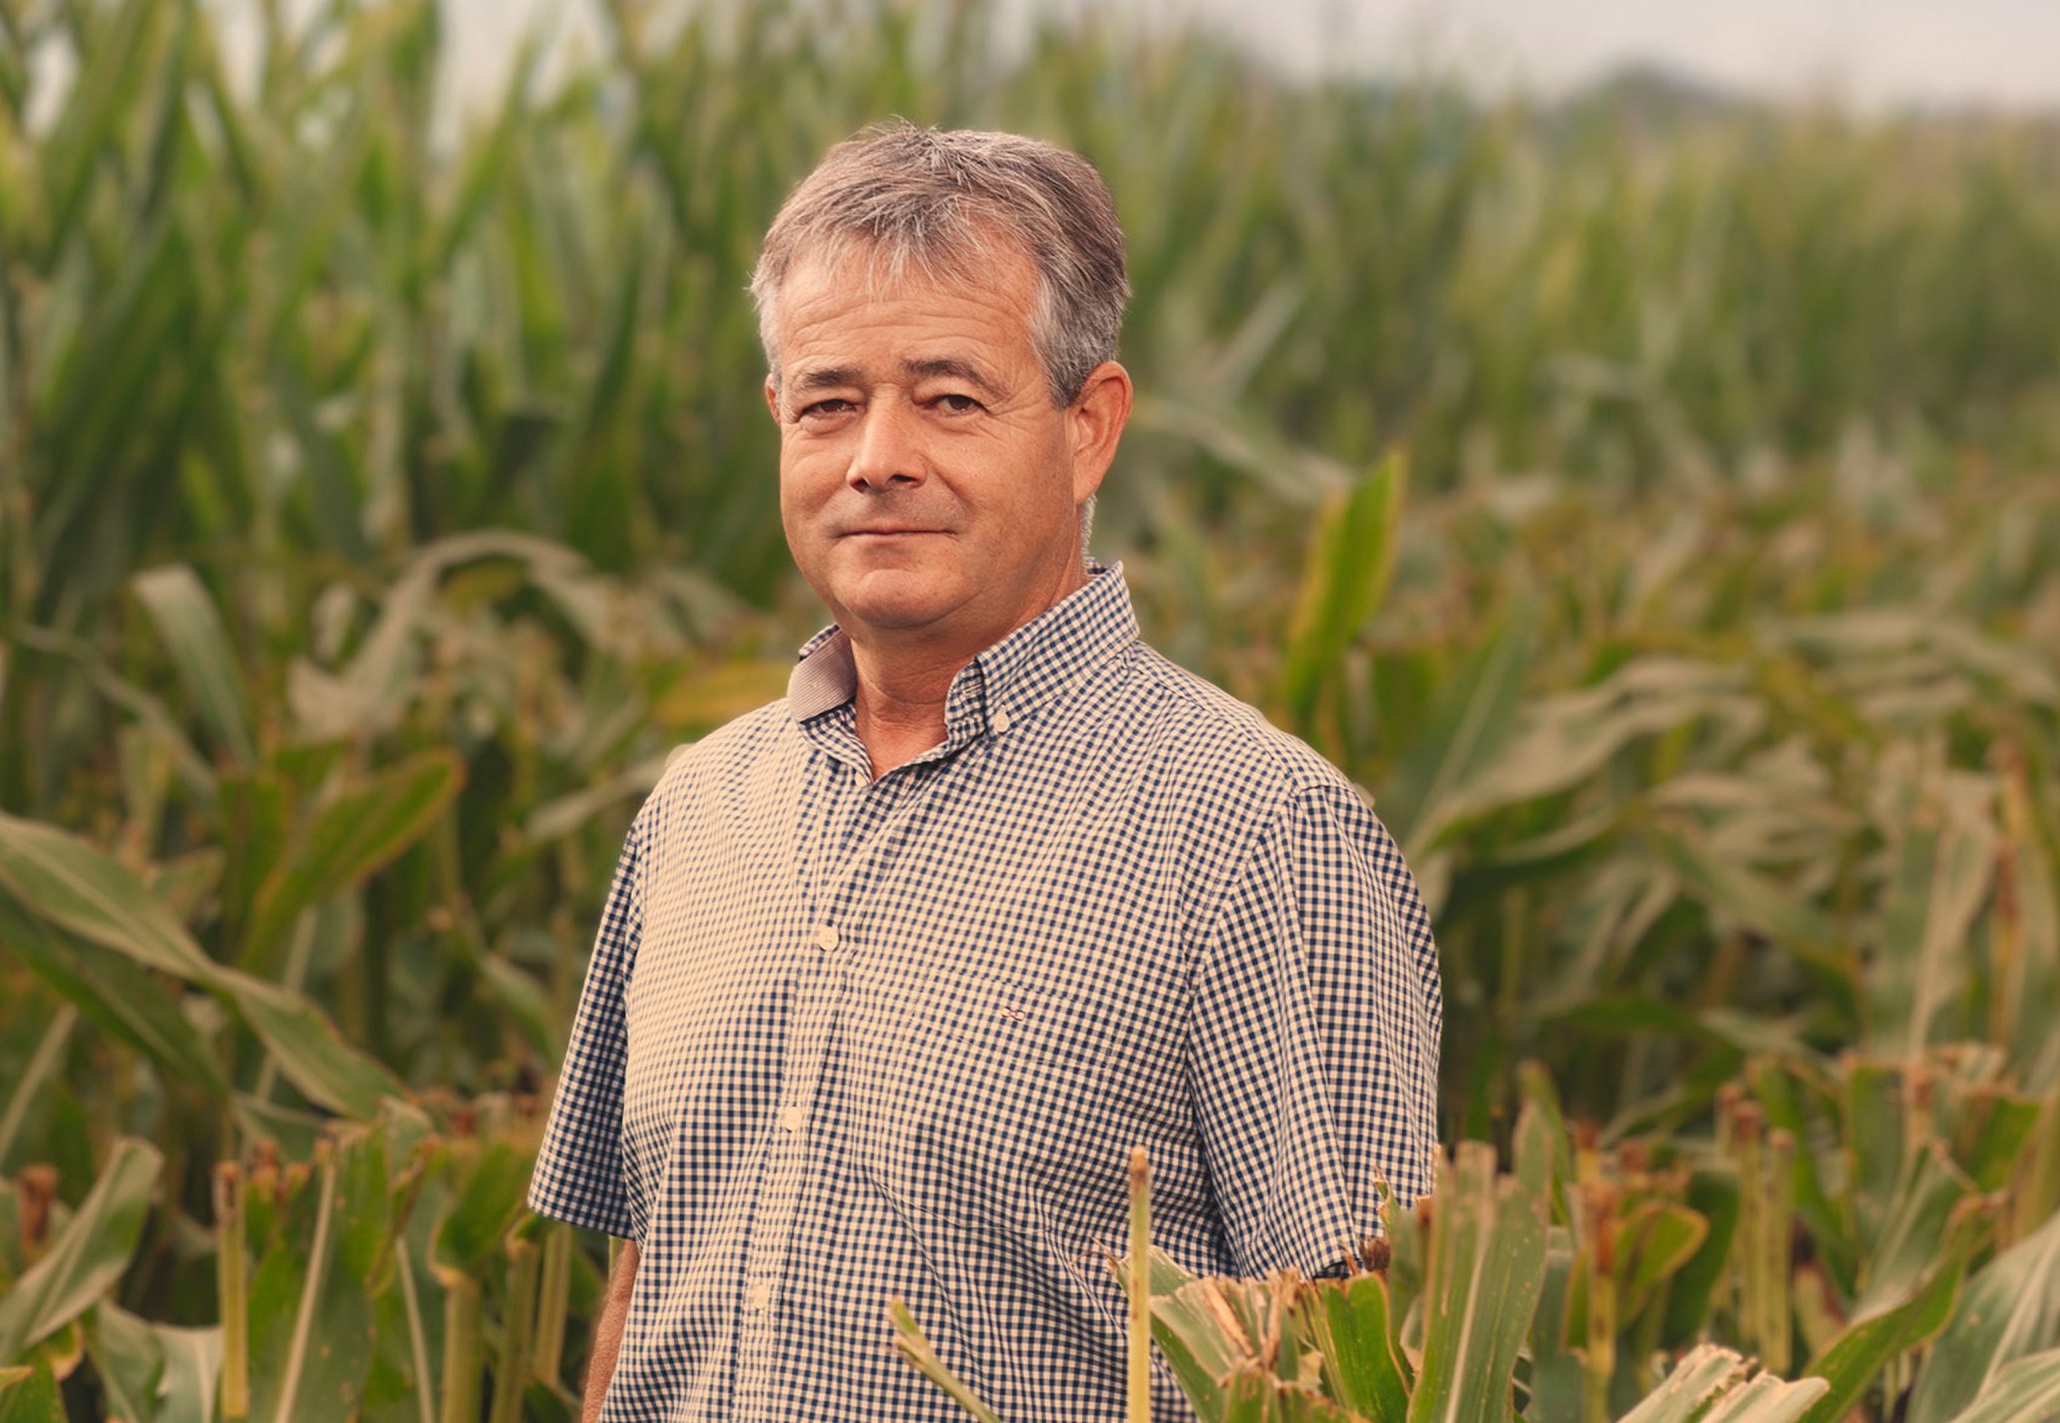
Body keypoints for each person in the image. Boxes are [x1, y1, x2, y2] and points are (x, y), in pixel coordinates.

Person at [527, 120, 1442, 1423]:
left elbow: (1369, 1367)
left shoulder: (1258, 838)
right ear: (779, 422)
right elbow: (644, 1274)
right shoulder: (699, 810)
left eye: (950, 400)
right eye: (830, 402)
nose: (877, 457)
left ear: (1090, 428)